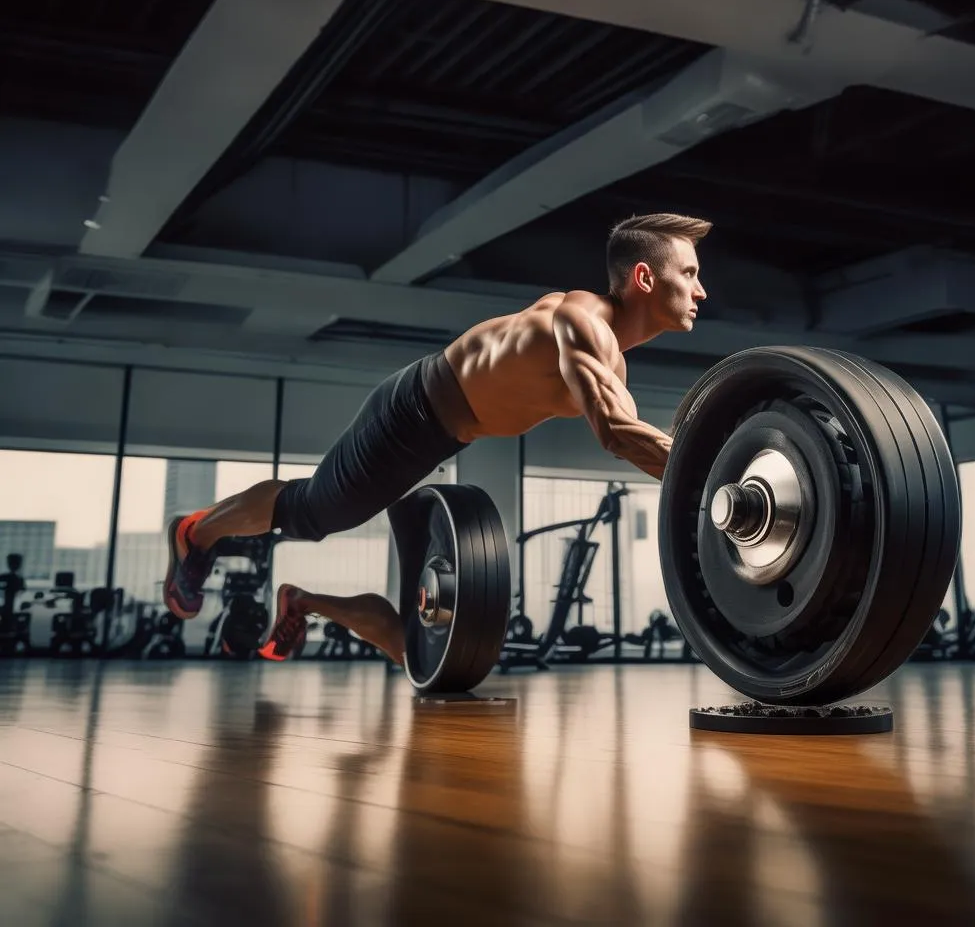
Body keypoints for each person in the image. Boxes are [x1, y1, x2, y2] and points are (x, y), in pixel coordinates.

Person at [162, 212, 710, 664]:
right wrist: (714, 484)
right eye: (688, 273)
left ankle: (303, 602)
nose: (700, 290)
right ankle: (195, 533)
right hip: (410, 414)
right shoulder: (581, 319)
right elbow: (617, 433)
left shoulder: (611, 362)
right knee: (310, 513)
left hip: (441, 442)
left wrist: (703, 479)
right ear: (644, 278)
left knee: (419, 645)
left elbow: (642, 441)